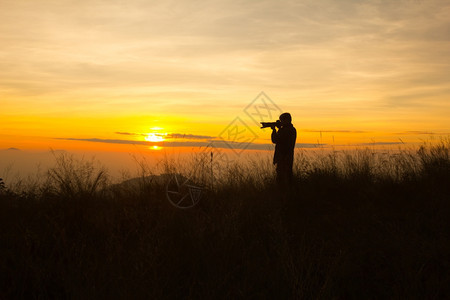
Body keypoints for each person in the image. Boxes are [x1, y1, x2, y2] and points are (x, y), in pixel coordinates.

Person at [271, 112, 297, 186]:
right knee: (286, 177)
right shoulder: (291, 129)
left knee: (283, 179)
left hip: (284, 157)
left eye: (282, 120)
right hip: (286, 157)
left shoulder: (287, 130)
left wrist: (274, 130)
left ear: (287, 120)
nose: (281, 122)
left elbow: (275, 140)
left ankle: (284, 194)